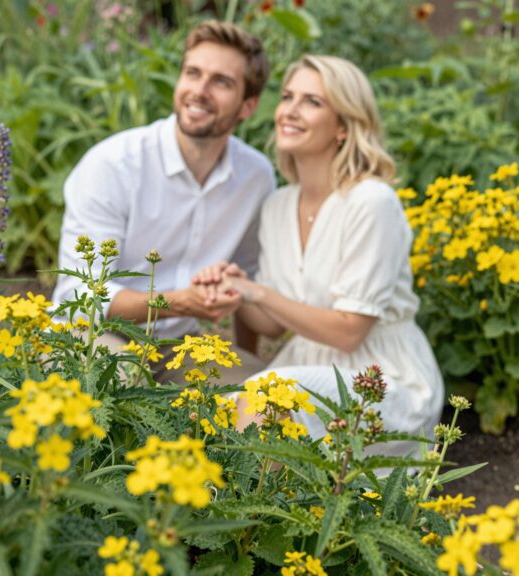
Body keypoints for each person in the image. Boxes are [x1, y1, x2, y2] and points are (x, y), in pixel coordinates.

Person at [194, 55, 444, 452]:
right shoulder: (278, 204)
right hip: (309, 363)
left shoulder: (370, 201)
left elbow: (349, 331)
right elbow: (272, 325)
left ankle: (255, 511)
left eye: (312, 102)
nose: (290, 111)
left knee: (266, 397)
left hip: (381, 375)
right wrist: (234, 291)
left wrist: (260, 293)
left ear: (343, 125)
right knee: (214, 411)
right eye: (288, 97)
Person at [51, 20, 276, 382]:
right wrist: (180, 302)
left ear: (248, 105)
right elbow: (82, 295)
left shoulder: (255, 176)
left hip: (180, 348)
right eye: (193, 73)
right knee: (124, 379)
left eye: (221, 81)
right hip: (91, 335)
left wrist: (245, 358)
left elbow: (246, 279)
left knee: (262, 396)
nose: (199, 90)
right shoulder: (113, 164)